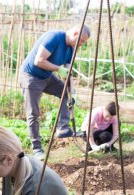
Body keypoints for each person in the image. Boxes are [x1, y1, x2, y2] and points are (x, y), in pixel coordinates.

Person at [19, 25, 90, 160]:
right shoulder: (54, 37)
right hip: (31, 76)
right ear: (75, 33)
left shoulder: (71, 49)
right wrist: (58, 69)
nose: (81, 45)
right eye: (81, 41)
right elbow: (39, 60)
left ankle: (63, 128)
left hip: (46, 77)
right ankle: (37, 149)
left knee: (65, 92)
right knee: (33, 113)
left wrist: (72, 93)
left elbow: (68, 73)